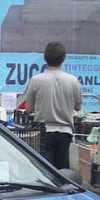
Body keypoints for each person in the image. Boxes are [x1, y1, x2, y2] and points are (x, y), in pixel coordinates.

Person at [19, 40, 83, 169]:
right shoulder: (73, 81)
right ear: (63, 59)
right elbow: (77, 107)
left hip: (44, 131)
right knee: (62, 171)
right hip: (65, 132)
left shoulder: (36, 80)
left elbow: (28, 108)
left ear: (44, 58)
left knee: (46, 170)